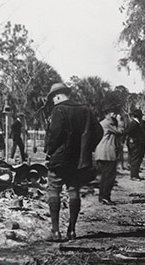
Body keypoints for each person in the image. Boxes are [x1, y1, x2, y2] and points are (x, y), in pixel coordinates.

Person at [44, 82, 102, 242]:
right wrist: (86, 148)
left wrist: (49, 150)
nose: (53, 102)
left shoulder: (59, 110)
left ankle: (55, 231)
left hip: (60, 159)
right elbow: (98, 131)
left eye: (53, 99)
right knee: (73, 190)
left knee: (54, 189)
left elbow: (55, 135)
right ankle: (72, 231)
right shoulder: (85, 110)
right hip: (78, 160)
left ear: (57, 96)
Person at [94, 107, 125, 205]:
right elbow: (120, 131)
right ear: (107, 114)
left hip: (102, 152)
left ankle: (102, 196)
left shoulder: (102, 122)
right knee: (109, 176)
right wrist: (120, 121)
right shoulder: (108, 123)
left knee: (105, 176)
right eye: (113, 113)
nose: (115, 115)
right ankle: (105, 197)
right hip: (107, 153)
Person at [125, 108, 145, 180]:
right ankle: (133, 176)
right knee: (135, 159)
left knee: (138, 159)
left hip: (138, 144)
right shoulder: (134, 124)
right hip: (135, 145)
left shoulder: (135, 123)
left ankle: (136, 174)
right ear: (139, 116)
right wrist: (133, 139)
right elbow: (127, 132)